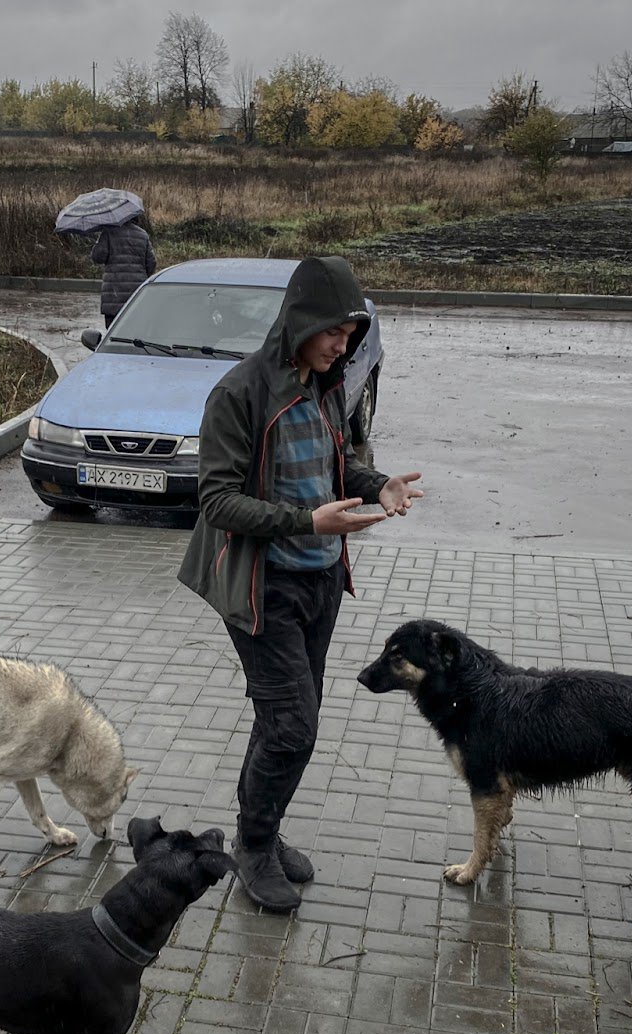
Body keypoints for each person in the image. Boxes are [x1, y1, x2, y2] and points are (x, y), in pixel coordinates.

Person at [178, 255, 424, 913]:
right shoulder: (239, 394)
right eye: (333, 333)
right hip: (261, 588)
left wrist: (379, 483)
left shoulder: (323, 385)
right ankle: (253, 849)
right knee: (293, 726)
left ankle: (265, 830)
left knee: (285, 717)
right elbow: (217, 501)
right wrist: (305, 521)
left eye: (350, 335)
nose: (342, 345)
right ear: (300, 322)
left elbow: (336, 459)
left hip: (318, 583)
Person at [90, 218, 156, 328]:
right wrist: (142, 278)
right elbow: (151, 262)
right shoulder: (143, 234)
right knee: (135, 332)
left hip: (113, 296)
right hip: (137, 295)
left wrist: (99, 241)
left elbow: (98, 257)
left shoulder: (108, 232)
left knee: (113, 334)